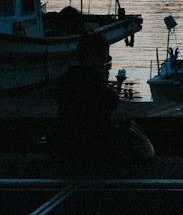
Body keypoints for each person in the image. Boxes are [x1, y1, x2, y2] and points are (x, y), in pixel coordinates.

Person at [54, 32, 155, 164]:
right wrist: (112, 92)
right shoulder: (93, 82)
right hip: (94, 146)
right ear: (94, 58)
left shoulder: (65, 80)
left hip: (68, 144)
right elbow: (103, 106)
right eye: (104, 58)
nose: (105, 61)